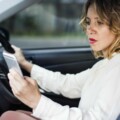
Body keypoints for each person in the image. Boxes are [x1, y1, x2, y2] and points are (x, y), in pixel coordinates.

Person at [1, 0, 120, 119]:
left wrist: (37, 101)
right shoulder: (104, 65)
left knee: (10, 117)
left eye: (99, 22)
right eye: (88, 22)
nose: (90, 29)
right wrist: (25, 64)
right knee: (15, 114)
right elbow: (67, 83)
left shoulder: (117, 69)